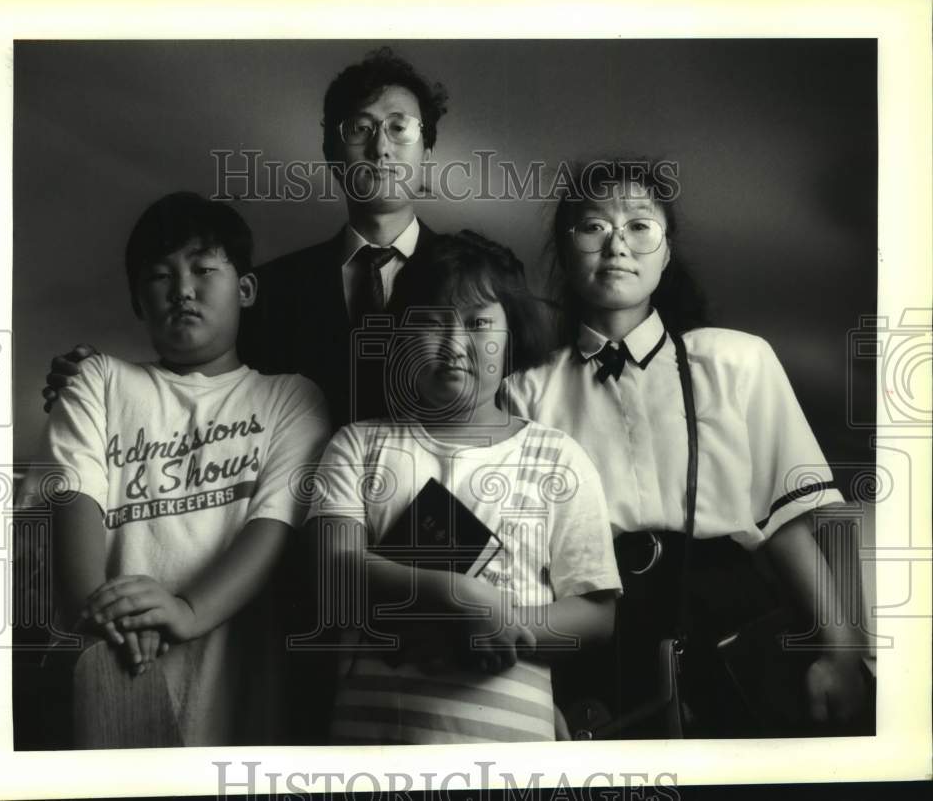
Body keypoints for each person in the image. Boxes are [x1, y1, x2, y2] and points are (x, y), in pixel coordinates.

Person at [501, 159, 869, 736]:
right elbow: (523, 567)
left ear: (666, 252)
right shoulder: (525, 392)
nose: (617, 243)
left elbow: (786, 521)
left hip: (728, 620)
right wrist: (534, 693)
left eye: (640, 226)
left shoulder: (735, 360)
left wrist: (842, 653)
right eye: (592, 226)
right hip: (601, 626)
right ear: (564, 250)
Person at [32, 192, 330, 746]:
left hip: (236, 698)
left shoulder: (291, 399)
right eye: (160, 276)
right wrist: (104, 619)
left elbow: (273, 527)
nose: (183, 290)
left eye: (203, 269)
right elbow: (73, 500)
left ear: (245, 289)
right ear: (137, 301)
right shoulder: (98, 382)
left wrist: (187, 610)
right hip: (109, 683)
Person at [304, 231, 622, 744]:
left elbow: (595, 615)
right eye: (433, 322)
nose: (454, 344)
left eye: (478, 323)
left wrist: (496, 624)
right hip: (373, 755)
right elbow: (332, 571)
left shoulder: (558, 457)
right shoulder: (359, 445)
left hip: (514, 762)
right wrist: (458, 598)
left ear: (513, 334)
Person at [41, 47, 449, 428]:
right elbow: (202, 388)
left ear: (427, 151)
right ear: (331, 153)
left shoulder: (479, 279)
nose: (381, 148)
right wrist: (103, 384)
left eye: (400, 128)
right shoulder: (270, 290)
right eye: (361, 127)